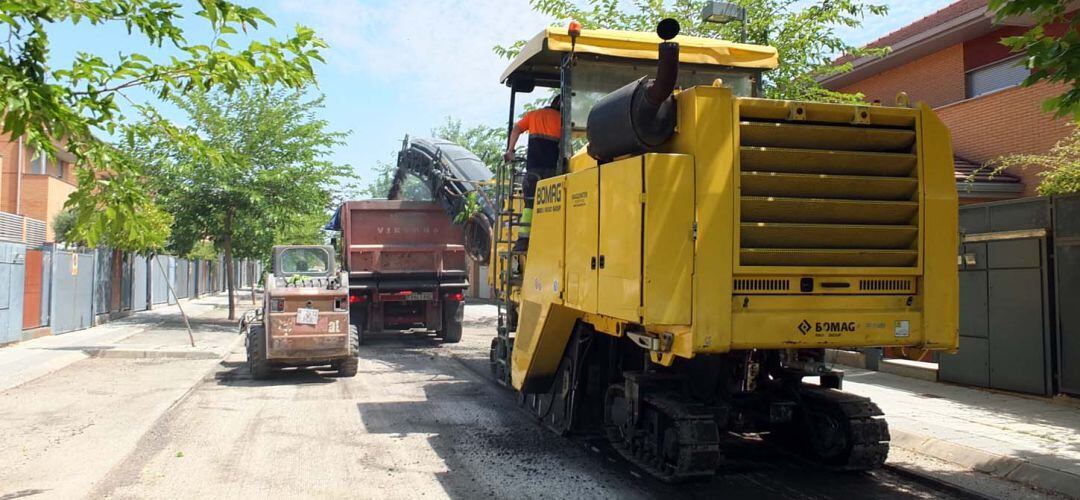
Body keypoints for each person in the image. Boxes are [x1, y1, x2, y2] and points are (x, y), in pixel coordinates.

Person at [503, 95, 561, 251]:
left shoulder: (534, 115)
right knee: (552, 206)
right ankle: (548, 237)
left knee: (529, 204)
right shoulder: (562, 119)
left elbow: (516, 128)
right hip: (553, 172)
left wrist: (510, 150)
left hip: (533, 169)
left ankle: (523, 241)